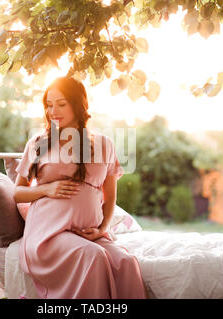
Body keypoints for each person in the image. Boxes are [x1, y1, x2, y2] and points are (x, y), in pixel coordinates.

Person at [14, 76, 146, 299]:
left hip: (90, 234)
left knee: (126, 262)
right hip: (48, 234)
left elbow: (110, 196)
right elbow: (18, 193)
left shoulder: (104, 144)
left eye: (61, 104)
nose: (53, 111)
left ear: (78, 104)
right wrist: (47, 189)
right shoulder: (38, 143)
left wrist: (102, 229)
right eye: (49, 105)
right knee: (93, 256)